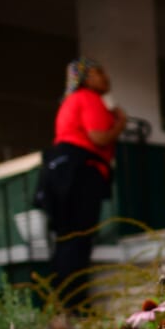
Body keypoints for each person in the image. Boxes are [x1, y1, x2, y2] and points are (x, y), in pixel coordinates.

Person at [47, 58, 126, 310]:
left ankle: (65, 302)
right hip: (81, 172)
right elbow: (98, 137)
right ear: (86, 77)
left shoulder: (70, 101)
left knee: (67, 237)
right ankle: (76, 305)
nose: (106, 77)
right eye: (99, 72)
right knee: (80, 237)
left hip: (60, 171)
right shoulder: (88, 97)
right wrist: (120, 124)